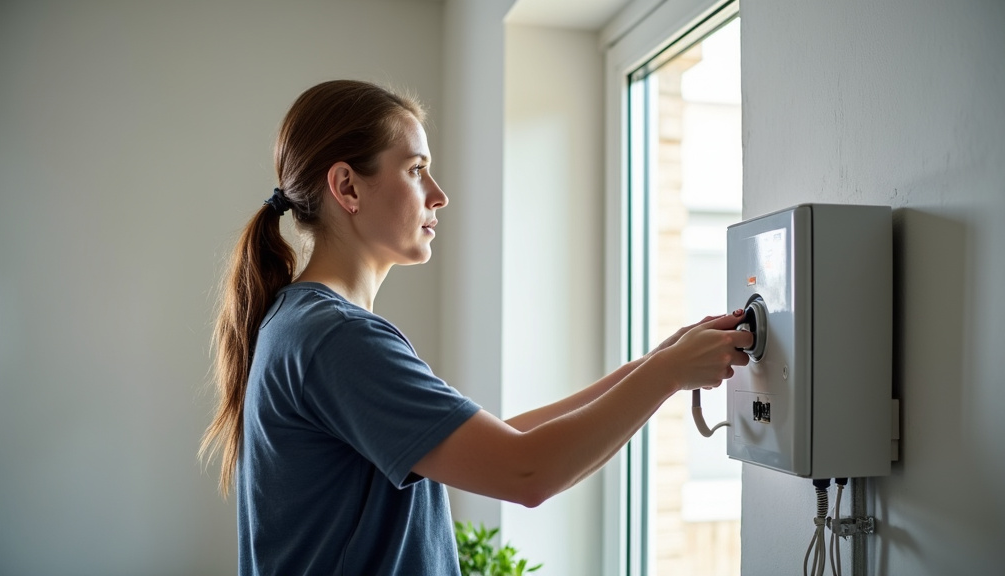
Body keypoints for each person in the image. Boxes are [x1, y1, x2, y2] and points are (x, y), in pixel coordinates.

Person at [199, 79, 753, 575]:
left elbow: (505, 445)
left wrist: (656, 363)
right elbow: (526, 472)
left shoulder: (302, 324)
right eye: (416, 170)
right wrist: (665, 374)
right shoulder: (337, 338)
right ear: (347, 187)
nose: (439, 194)